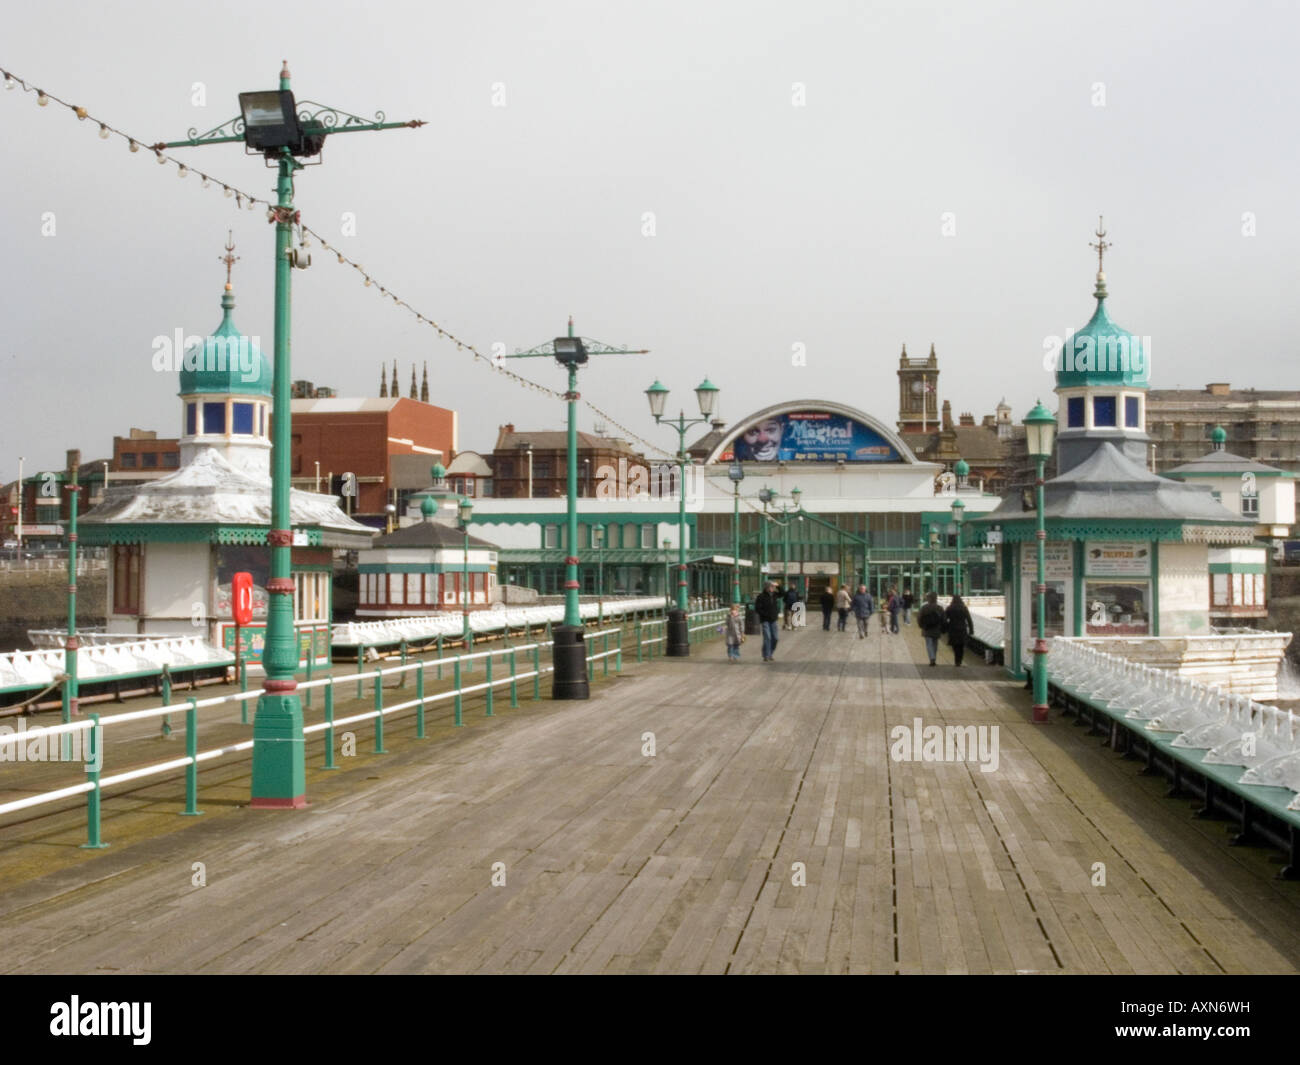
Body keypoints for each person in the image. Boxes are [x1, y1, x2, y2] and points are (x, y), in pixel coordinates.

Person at [917, 592, 947, 667]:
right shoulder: (940, 608)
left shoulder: (924, 607)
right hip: (936, 629)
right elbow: (944, 619)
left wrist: (921, 626)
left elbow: (919, 617)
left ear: (928, 599)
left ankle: (932, 658)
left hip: (927, 628)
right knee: (935, 644)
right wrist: (943, 628)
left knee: (929, 644)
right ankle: (934, 658)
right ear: (936, 599)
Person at [944, 593, 974, 667]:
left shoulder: (950, 608)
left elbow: (944, 619)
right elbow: (969, 620)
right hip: (962, 628)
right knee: (961, 645)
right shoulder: (964, 608)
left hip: (953, 628)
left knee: (955, 645)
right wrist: (971, 630)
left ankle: (956, 661)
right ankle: (959, 660)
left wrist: (945, 627)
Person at [755, 582, 781, 662]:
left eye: (773, 587)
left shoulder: (775, 595)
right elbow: (757, 609)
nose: (772, 588)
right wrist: (765, 615)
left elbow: (783, 593)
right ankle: (766, 655)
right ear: (766, 587)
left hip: (773, 620)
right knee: (768, 638)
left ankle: (770, 653)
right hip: (765, 620)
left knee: (775, 638)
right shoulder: (761, 596)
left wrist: (778, 585)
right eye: (771, 587)